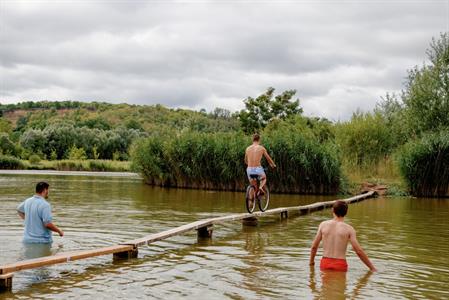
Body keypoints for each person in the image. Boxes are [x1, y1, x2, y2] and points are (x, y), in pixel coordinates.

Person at [309, 200, 376, 272]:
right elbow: (358, 251)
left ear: (332, 210)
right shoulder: (349, 229)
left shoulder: (323, 225)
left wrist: (311, 262)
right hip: (340, 264)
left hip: (325, 262)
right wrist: (372, 268)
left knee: (326, 283)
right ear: (346, 212)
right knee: (340, 283)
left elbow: (314, 247)